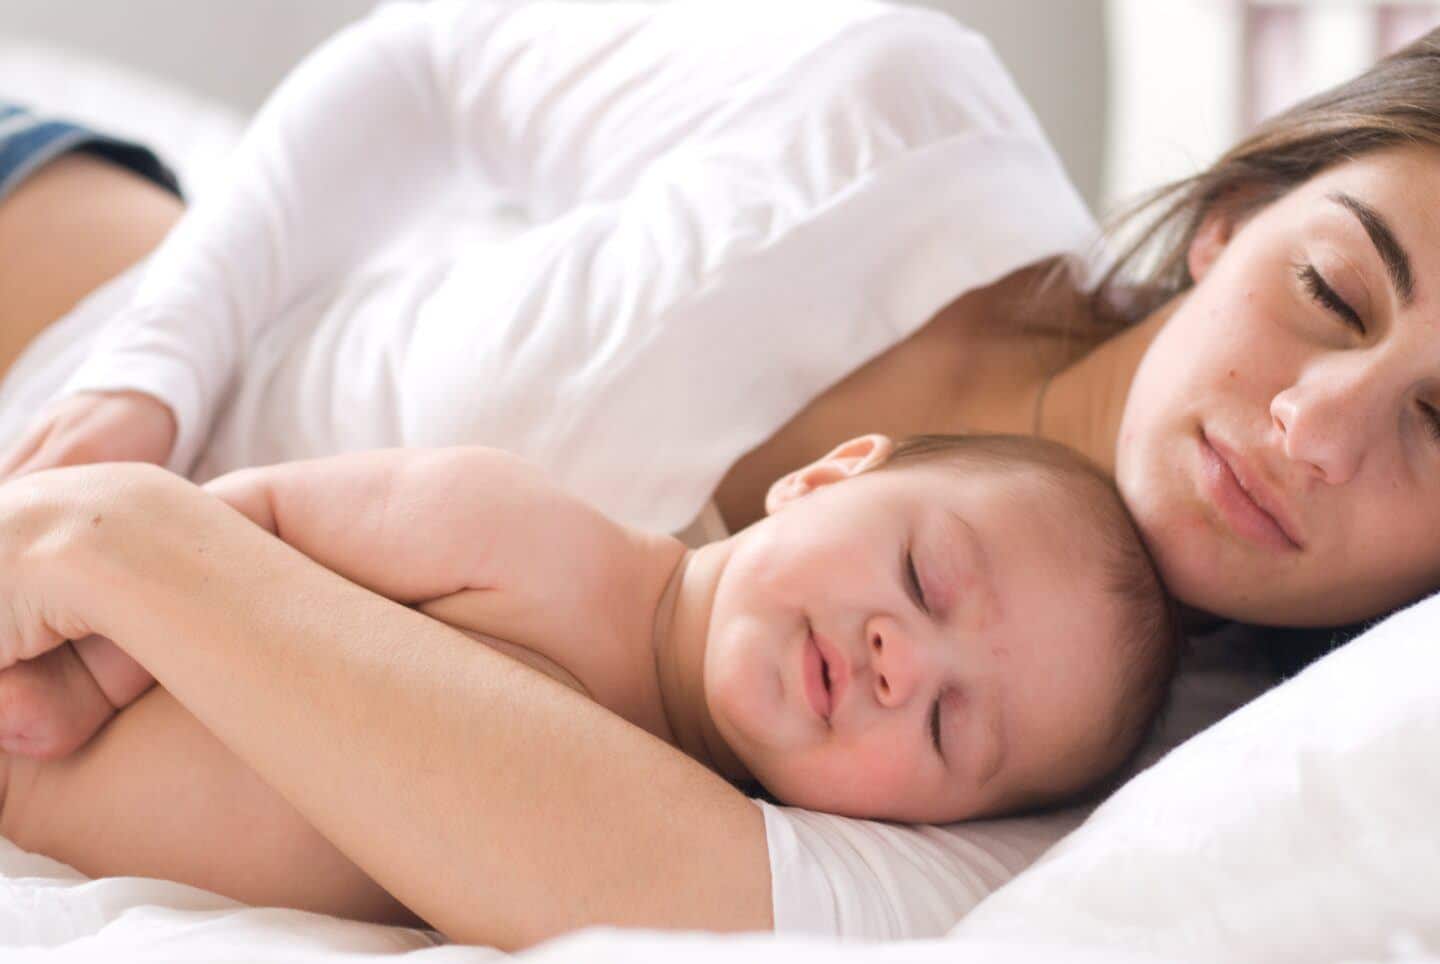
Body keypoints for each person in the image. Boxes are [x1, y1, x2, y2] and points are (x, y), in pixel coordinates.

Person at [1, 0, 1439, 947]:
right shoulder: (903, 122)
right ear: (1236, 222)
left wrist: (123, 547)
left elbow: (673, 903)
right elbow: (436, 65)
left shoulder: (1151, 778)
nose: (1312, 427)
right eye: (1328, 290)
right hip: (53, 251)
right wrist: (151, 374)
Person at [0, 431, 1177, 920]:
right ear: (825, 477)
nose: (899, 660)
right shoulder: (528, 539)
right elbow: (246, 521)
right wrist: (86, 679)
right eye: (923, 573)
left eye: (948, 723)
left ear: (931, 826)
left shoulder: (673, 852)